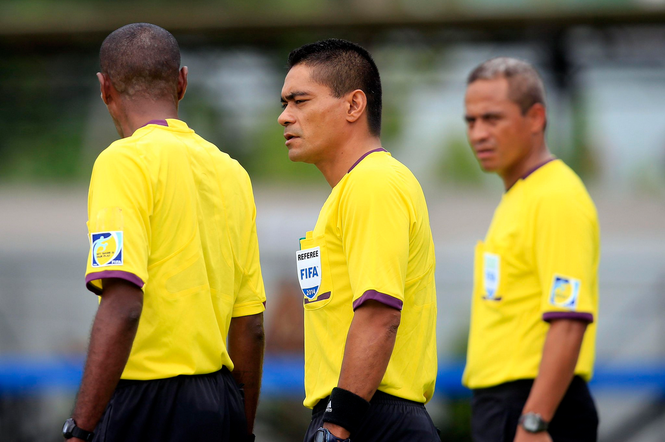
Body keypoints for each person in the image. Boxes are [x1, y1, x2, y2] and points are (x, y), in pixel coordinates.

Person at [62, 23, 266, 442]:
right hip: (220, 402)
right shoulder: (232, 172)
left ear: (105, 89)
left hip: (147, 405)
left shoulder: (123, 162)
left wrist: (79, 428)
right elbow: (250, 326)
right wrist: (241, 430)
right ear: (182, 82)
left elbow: (123, 306)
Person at [278, 38, 439, 442]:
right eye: (284, 103)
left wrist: (336, 425)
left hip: (368, 416)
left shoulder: (374, 183)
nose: (284, 116)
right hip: (354, 411)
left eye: (300, 101)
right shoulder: (348, 193)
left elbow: (380, 315)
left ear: (354, 105)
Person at [462, 57, 600, 442]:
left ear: (536, 118)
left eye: (492, 118)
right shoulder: (521, 195)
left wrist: (534, 421)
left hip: (534, 408)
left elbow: (569, 317)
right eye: (471, 121)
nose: (478, 133)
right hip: (507, 406)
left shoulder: (556, 197)